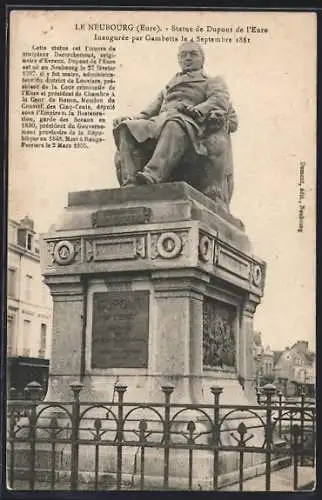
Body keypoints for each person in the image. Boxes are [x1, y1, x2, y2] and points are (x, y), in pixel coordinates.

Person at [113, 41, 238, 207]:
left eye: (193, 54)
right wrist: (132, 119)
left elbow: (218, 100)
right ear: (178, 59)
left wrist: (196, 110)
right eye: (183, 55)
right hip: (159, 123)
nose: (188, 58)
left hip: (192, 125)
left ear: (202, 59)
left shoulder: (212, 81)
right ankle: (130, 184)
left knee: (174, 124)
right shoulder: (168, 86)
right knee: (126, 129)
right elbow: (149, 111)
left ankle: (152, 175)